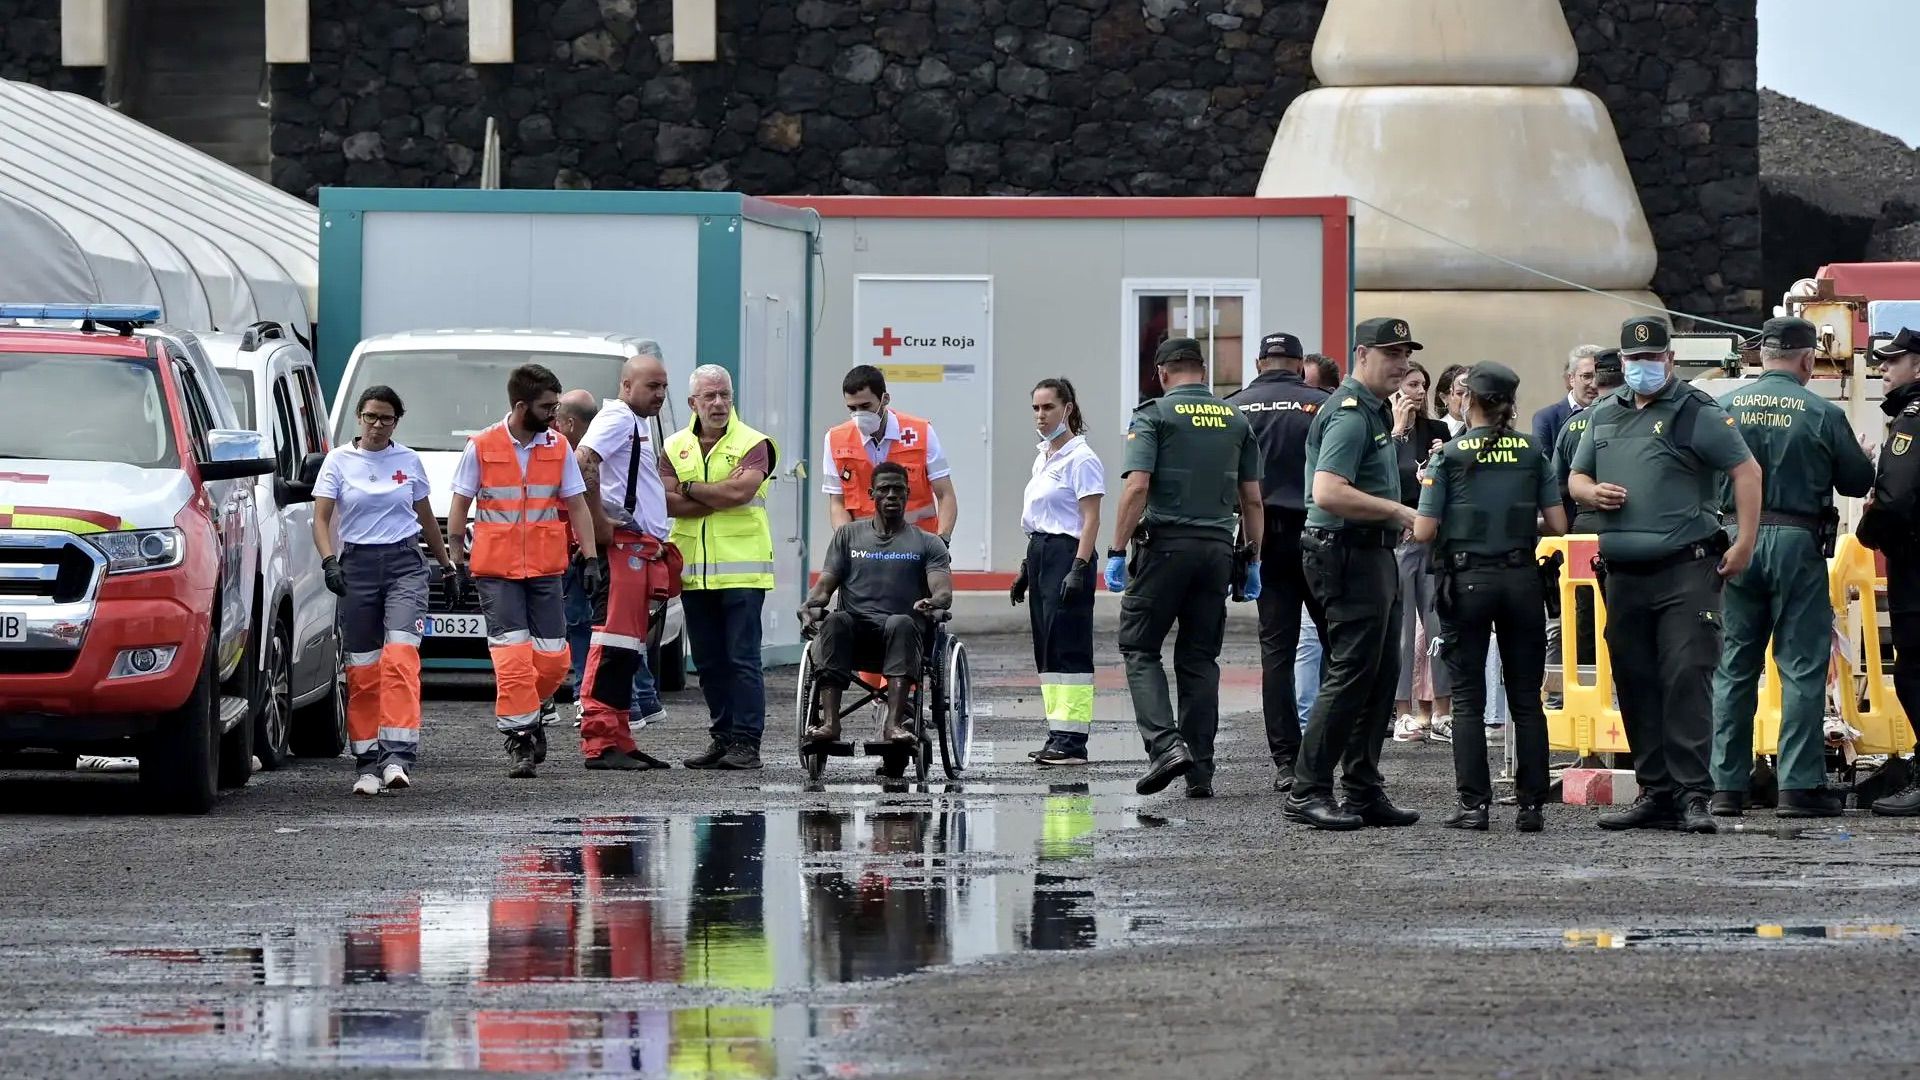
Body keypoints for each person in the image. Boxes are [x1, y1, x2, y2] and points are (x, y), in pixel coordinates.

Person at [1569, 316, 1761, 833]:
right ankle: (1655, 790)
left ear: (1670, 361)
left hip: (1686, 568)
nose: (1643, 368)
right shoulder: (1603, 414)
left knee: (1685, 675)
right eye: (1634, 360)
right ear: (1622, 364)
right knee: (1635, 679)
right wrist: (1589, 493)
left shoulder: (1695, 411)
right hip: (1625, 574)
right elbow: (1576, 476)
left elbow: (1746, 471)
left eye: (1652, 358)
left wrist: (1744, 541)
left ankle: (1693, 793)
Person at [1706, 318, 1875, 818]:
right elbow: (1855, 481)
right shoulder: (1821, 412)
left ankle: (1726, 787)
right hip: (1797, 544)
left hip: (1737, 542)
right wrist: (1862, 455)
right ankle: (1798, 787)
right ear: (1806, 360)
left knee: (1735, 665)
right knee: (1801, 668)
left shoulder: (1724, 408)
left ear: (1762, 356)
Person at [1414, 362, 1568, 830]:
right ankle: (1531, 806)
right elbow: (1559, 524)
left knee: (1467, 699)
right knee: (1526, 699)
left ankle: (1474, 805)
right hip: (1522, 580)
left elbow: (1424, 530)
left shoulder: (1448, 455)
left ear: (1468, 401)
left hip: (1466, 584)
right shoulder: (1533, 451)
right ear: (1509, 403)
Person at [1107, 337, 1263, 799]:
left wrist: (1116, 550)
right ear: (1203, 369)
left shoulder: (1153, 415)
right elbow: (1252, 499)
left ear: (1162, 373)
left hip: (1165, 549)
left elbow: (1137, 487)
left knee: (1139, 647)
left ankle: (1165, 746)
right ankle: (1201, 771)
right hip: (1217, 552)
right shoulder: (1236, 419)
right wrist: (1253, 559)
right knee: (1199, 659)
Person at [1286, 317, 1423, 831]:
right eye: (1392, 354)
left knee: (1380, 674)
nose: (1402, 363)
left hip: (1370, 553)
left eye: (1406, 353)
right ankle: (1309, 790)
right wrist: (1398, 512)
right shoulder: (1348, 414)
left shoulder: (1371, 412)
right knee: (1350, 674)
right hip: (1345, 552)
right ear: (1363, 355)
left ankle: (1363, 787)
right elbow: (1328, 492)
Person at [447, 364, 601, 779]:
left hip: (546, 569)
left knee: (553, 660)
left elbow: (577, 505)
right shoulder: (481, 446)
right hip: (496, 572)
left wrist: (590, 558)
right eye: (547, 407)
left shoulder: (559, 447)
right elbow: (460, 506)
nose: (555, 415)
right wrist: (456, 563)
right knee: (513, 657)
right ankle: (520, 740)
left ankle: (532, 710)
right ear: (521, 406)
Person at [312, 385, 457, 796]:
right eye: (371, 416)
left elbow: (424, 515)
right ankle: (367, 762)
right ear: (359, 417)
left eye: (387, 418)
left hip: (404, 564)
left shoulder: (408, 461)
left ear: (396, 422)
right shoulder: (338, 462)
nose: (378, 425)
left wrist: (446, 566)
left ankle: (398, 757)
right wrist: (329, 561)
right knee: (363, 667)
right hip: (356, 564)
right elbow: (320, 519)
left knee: (400, 656)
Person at [1226, 331, 1328, 792]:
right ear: (1300, 363)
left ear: (1258, 362)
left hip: (1262, 540)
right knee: (1342, 649)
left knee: (1278, 654)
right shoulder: (1323, 404)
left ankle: (1287, 760)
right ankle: (1331, 752)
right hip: (1319, 536)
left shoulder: (1234, 406)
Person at [663, 364, 776, 771]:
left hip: (743, 572)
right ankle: (723, 738)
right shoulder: (675, 446)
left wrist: (690, 489)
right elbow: (665, 499)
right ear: (693, 402)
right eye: (709, 396)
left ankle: (747, 743)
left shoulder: (754, 443)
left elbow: (740, 491)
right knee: (709, 663)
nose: (718, 403)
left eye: (724, 395)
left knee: (742, 659)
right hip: (694, 572)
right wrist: (716, 494)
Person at [575, 349, 680, 771]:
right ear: (626, 386)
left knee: (627, 648)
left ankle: (619, 736)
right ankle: (600, 743)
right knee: (611, 644)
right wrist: (599, 522)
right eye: (652, 387)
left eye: (664, 388)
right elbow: (585, 460)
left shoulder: (635, 423)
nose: (660, 395)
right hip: (622, 548)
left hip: (638, 548)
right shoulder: (617, 418)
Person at [800, 462, 954, 743]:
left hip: (903, 635)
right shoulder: (847, 536)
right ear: (872, 493)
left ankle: (893, 725)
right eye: (884, 489)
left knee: (901, 622)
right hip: (854, 636)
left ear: (908, 493)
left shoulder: (929, 543)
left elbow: (943, 591)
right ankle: (830, 724)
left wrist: (933, 601)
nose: (892, 495)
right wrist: (810, 605)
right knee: (834, 620)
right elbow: (824, 585)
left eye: (898, 489)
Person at [1011, 378, 1104, 766]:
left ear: (1067, 408)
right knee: (1046, 647)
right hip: (1042, 553)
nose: (1040, 415)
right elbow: (1042, 518)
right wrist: (1026, 567)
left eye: (1047, 407)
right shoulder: (1044, 456)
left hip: (1069, 554)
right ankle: (1057, 732)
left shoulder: (1082, 458)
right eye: (1035, 408)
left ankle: (1074, 739)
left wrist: (1079, 567)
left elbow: (1091, 519)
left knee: (1069, 646)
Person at [1855, 328, 1920, 815]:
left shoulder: (1912, 421)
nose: (1883, 369)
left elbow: (1894, 498)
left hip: (1916, 563)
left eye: (1892, 362)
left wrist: (1869, 533)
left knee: (1915, 671)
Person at [1548, 348, 1623, 703]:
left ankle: (1583, 697)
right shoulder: (1634, 416)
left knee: (1583, 613)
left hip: (1581, 531)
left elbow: (1557, 483)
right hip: (1625, 529)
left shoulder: (1571, 424)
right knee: (1624, 611)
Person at [1389, 361, 1454, 744]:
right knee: (1401, 630)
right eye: (1412, 384)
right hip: (1397, 538)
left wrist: (1443, 458)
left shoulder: (1438, 430)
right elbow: (1378, 478)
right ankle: (1402, 712)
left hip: (1431, 537)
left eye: (1423, 386)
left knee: (1437, 627)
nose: (1418, 392)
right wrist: (1396, 431)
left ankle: (1443, 712)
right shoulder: (1383, 430)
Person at [824, 365, 958, 543]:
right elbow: (837, 503)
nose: (859, 415)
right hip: (865, 546)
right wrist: (847, 544)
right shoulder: (835, 440)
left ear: (884, 399)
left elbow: (945, 494)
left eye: (866, 406)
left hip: (918, 543)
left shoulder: (921, 433)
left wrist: (943, 540)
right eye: (853, 408)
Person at [1292, 351, 1343, 729]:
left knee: (1329, 637)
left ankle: (1327, 719)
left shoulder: (1337, 420)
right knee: (1308, 639)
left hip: (1326, 536)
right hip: (1295, 534)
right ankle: (1309, 718)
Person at [553, 389, 599, 718]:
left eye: (556, 419)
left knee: (575, 624)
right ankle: (564, 696)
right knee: (569, 625)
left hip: (566, 554)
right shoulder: (567, 454)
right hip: (559, 553)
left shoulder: (574, 457)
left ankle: (579, 693)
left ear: (568, 422)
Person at [1531, 344, 1603, 451]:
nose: (1594, 385)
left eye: (1600, 376)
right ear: (1571, 378)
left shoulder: (1617, 412)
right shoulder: (1547, 418)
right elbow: (1543, 463)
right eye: (1586, 376)